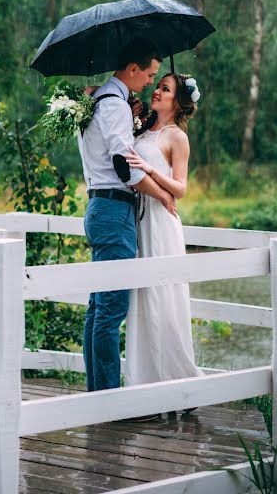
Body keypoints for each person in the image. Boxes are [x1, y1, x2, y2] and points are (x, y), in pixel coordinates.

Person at [79, 38, 176, 392]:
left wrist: (131, 117)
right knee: (110, 311)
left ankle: (97, 392)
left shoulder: (99, 100)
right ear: (132, 69)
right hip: (115, 210)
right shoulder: (114, 106)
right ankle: (106, 398)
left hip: (99, 207)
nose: (151, 81)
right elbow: (125, 168)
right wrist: (163, 193)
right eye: (149, 74)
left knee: (98, 308)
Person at [124, 73, 203, 389]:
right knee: (142, 298)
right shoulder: (142, 126)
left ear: (178, 101)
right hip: (139, 219)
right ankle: (143, 381)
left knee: (164, 297)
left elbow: (180, 189)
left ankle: (177, 379)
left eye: (165, 89)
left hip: (162, 221)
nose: (156, 91)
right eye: (158, 86)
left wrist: (150, 169)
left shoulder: (176, 137)